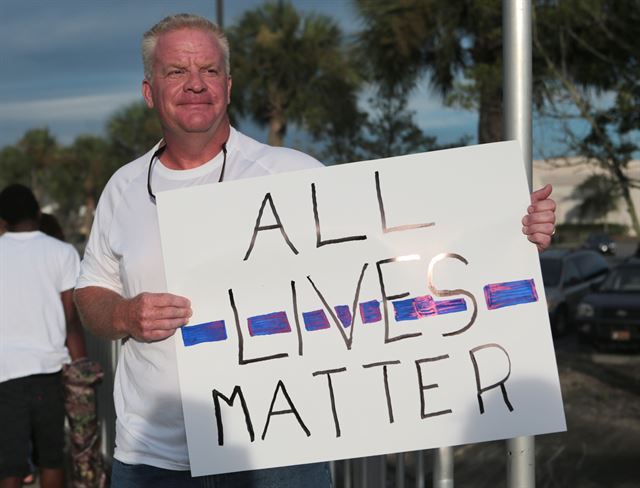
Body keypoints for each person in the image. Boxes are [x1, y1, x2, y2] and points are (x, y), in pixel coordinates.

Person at [74, 13, 556, 488]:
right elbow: (90, 292)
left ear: (229, 84)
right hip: (152, 461)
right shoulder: (124, 188)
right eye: (176, 71)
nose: (195, 84)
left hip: (278, 456)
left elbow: (395, 259)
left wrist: (510, 231)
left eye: (210, 70)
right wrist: (123, 316)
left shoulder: (291, 174)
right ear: (149, 90)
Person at [0, 184, 87, 488]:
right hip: (49, 372)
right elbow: (71, 319)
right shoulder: (62, 252)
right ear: (38, 212)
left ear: (3, 220)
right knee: (51, 457)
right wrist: (82, 369)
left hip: (5, 374)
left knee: (8, 463)